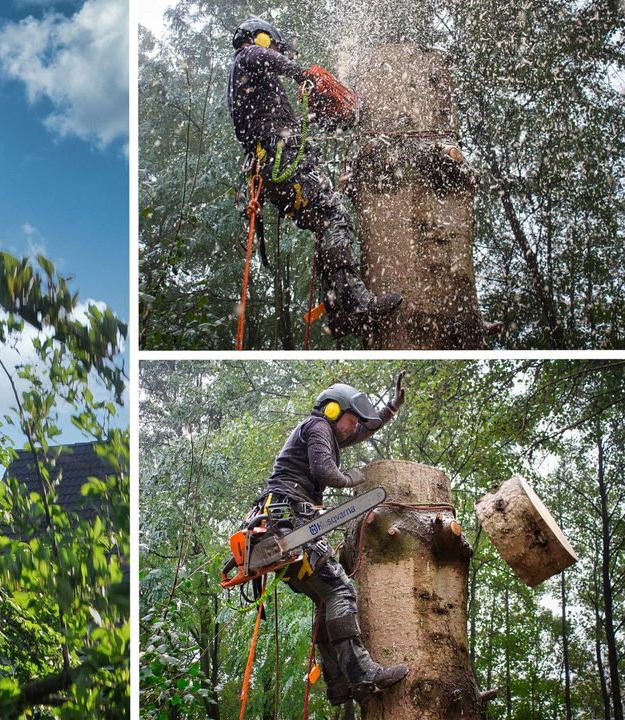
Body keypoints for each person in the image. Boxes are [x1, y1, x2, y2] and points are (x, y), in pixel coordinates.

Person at [227, 17, 402, 338]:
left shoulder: (253, 86)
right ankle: (356, 301)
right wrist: (303, 73)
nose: (276, 50)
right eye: (274, 45)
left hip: (277, 174)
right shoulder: (249, 55)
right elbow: (266, 58)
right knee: (336, 218)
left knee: (325, 228)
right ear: (260, 38)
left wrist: (327, 114)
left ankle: (340, 315)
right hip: (284, 165)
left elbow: (294, 122)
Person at [248, 375, 409, 704]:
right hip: (286, 522)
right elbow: (326, 472)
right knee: (340, 589)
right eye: (350, 420)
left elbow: (365, 429)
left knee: (326, 599)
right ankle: (363, 672)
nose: (353, 429)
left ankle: (338, 682)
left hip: (282, 526)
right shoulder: (318, 426)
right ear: (334, 410)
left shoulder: (330, 432)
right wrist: (353, 477)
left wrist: (391, 408)